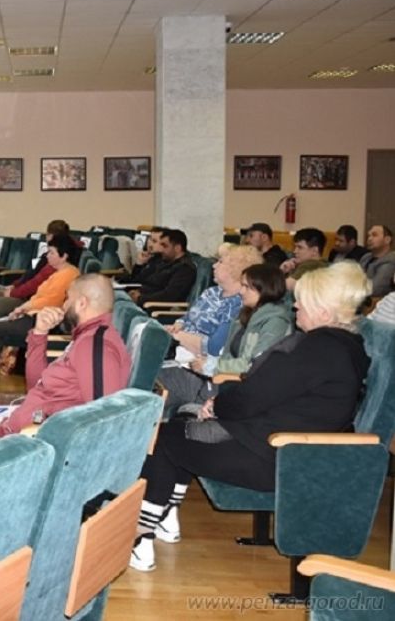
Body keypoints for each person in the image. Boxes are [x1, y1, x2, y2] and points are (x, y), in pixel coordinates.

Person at [129, 262, 370, 572]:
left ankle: (142, 535)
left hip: (274, 456)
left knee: (164, 439)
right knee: (181, 429)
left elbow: (253, 396)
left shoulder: (317, 350)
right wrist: (219, 404)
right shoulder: (347, 346)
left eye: (303, 302)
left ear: (323, 312)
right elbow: (270, 394)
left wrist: (216, 406)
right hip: (290, 450)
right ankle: (164, 519)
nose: (295, 305)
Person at [0, 274, 131, 467]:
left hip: (29, 442)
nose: (63, 304)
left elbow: (102, 418)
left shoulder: (96, 346)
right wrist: (39, 333)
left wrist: (32, 436)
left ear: (82, 303)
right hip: (22, 420)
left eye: (67, 299)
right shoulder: (84, 338)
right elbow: (36, 383)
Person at [158, 263, 292, 415]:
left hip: (235, 388)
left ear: (265, 289)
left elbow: (255, 366)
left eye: (246, 287)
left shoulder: (276, 323)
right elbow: (228, 354)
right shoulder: (246, 315)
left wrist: (212, 366)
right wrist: (208, 362)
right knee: (162, 378)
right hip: (221, 380)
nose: (241, 291)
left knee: (164, 379)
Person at [0, 235, 82, 387]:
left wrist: (22, 309)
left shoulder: (67, 275)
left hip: (45, 321)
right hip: (36, 315)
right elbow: (39, 297)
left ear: (64, 256)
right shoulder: (60, 272)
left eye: (51, 252)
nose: (47, 256)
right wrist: (22, 309)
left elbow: (49, 301)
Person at [169, 244, 262, 359]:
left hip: (199, 359)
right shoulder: (211, 292)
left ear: (236, 269)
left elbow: (215, 348)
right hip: (179, 346)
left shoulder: (237, 304)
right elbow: (189, 316)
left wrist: (178, 336)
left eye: (220, 262)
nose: (214, 265)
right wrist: (179, 324)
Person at [0, 219, 71, 323]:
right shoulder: (48, 257)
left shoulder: (56, 265)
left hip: (30, 299)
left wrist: (13, 293)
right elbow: (30, 275)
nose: (48, 255)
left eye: (51, 252)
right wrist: (15, 285)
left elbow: (35, 285)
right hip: (29, 295)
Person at [131, 228, 196, 307]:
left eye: (165, 246)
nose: (161, 249)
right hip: (142, 298)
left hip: (155, 307)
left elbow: (169, 295)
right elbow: (142, 280)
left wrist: (140, 298)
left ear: (177, 248)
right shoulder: (164, 261)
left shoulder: (185, 269)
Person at [361, 225, 395, 298]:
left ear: (387, 240)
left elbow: (375, 289)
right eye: (368, 236)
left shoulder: (391, 260)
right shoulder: (366, 257)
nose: (369, 239)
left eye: (374, 235)